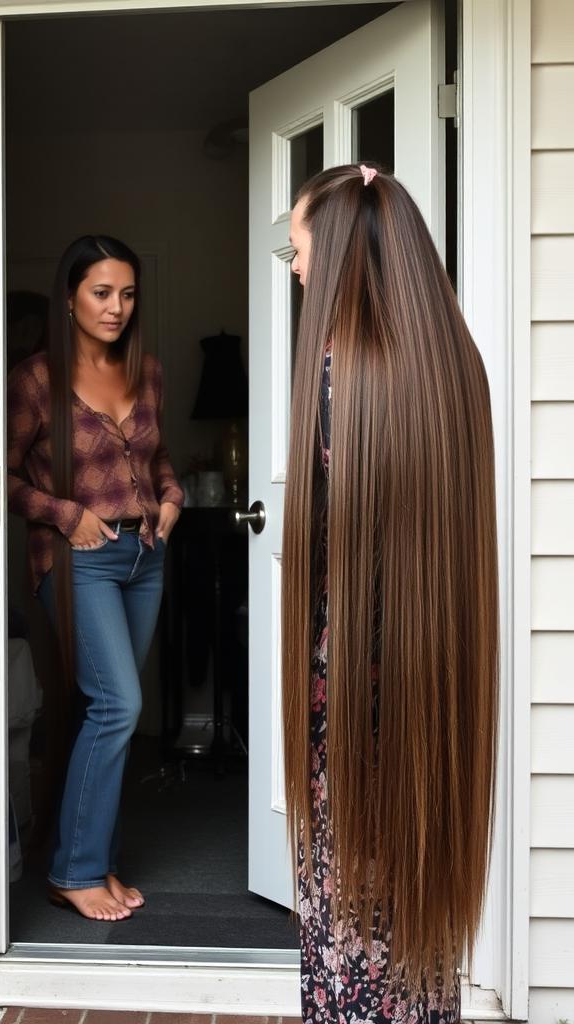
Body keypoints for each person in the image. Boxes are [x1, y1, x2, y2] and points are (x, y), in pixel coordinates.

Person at [282, 164, 498, 1022]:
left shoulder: (338, 375)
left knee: (349, 935)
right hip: (431, 690)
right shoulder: (455, 368)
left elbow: (340, 564)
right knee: (411, 940)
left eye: (298, 251)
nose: (296, 271)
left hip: (354, 714)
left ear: (335, 254)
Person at [7, 235, 184, 922]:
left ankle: (98, 858)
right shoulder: (34, 380)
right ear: (71, 298)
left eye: (128, 293)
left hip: (146, 558)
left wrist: (172, 499)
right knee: (120, 707)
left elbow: (158, 456)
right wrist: (64, 512)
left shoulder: (149, 372)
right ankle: (72, 870)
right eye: (102, 292)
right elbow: (4, 477)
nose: (117, 307)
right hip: (78, 560)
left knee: (102, 708)